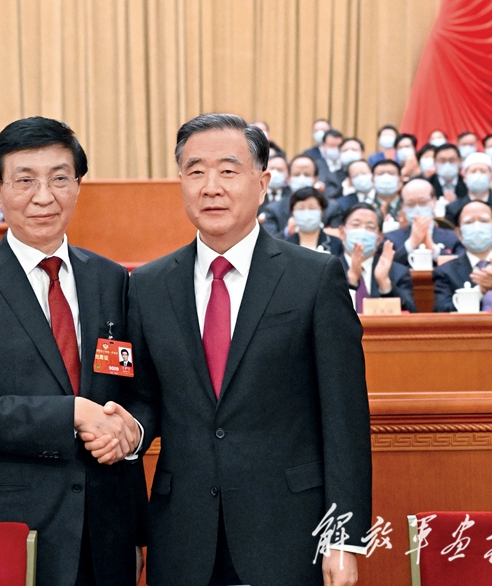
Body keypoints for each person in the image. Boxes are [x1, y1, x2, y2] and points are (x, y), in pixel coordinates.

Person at [123, 114, 371, 585]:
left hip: (289, 530)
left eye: (228, 170)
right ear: (181, 182)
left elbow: (344, 419)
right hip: (182, 534)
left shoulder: (314, 277)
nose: (211, 187)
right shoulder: (148, 285)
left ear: (262, 183)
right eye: (196, 171)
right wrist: (129, 430)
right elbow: (145, 399)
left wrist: (343, 538)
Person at [0, 116, 146, 586]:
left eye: (59, 178)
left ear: (78, 185)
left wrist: (132, 432)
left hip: (105, 530)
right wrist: (72, 413)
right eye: (25, 180)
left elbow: (136, 389)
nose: (44, 197)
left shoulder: (112, 280)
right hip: (10, 528)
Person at [338, 203, 417, 313]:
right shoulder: (326, 271)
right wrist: (351, 282)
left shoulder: (397, 272)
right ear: (342, 232)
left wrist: (384, 284)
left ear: (379, 238)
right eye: (356, 225)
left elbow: (410, 314)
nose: (362, 231)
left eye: (370, 227)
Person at [384, 178, 462, 266]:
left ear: (434, 201)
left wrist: (434, 250)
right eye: (410, 204)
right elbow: (385, 266)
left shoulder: (452, 237)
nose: (417, 209)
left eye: (422, 202)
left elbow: (460, 266)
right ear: (403, 205)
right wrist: (411, 244)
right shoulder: (391, 239)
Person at [444, 152, 492, 227]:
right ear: (465, 177)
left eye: (483, 171)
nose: (478, 175)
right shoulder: (454, 208)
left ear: (491, 176)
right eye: (473, 171)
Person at [285, 186, 343, 254]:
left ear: (322, 211)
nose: (306, 213)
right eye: (301, 208)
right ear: (292, 212)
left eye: (312, 208)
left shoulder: (336, 244)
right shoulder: (285, 246)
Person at [257, 153, 291, 238]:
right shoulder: (254, 194)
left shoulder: (292, 197)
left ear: (288, 175)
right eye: (272, 169)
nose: (275, 173)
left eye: (280, 170)